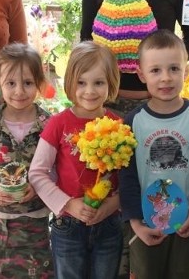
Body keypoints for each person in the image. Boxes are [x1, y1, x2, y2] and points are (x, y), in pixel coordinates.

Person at [119, 29, 189, 279]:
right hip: (145, 225)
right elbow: (127, 176)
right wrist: (135, 224)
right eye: (155, 70)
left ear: (186, 71)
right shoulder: (133, 122)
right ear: (141, 74)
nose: (166, 78)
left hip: (188, 223)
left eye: (174, 69)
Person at [29, 41, 123, 279]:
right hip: (68, 226)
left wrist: (112, 205)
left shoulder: (120, 126)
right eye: (81, 82)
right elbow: (37, 173)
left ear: (111, 83)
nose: (89, 91)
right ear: (70, 82)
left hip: (109, 223)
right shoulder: (58, 124)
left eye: (98, 82)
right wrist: (69, 204)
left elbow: (131, 178)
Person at [0, 43, 54, 278]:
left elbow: (57, 169)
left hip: (35, 223)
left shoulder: (49, 124)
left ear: (39, 83)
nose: (19, 91)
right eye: (10, 83)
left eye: (27, 83)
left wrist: (39, 187)